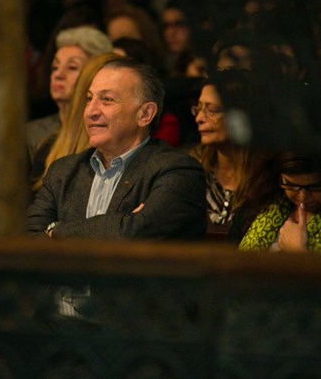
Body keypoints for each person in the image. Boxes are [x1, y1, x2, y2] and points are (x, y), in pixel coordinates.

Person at [26, 58, 206, 240]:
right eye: (89, 99)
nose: (91, 111)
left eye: (107, 100)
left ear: (145, 114)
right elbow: (30, 237)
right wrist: (121, 223)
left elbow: (132, 235)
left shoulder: (178, 172)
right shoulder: (62, 172)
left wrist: (55, 230)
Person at [190, 69, 270, 241]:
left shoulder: (268, 175)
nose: (199, 118)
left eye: (212, 110)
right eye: (198, 108)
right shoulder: (190, 169)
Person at [30, 52, 123, 191]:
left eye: (108, 99)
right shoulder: (47, 150)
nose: (94, 110)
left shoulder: (150, 163)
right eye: (89, 98)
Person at [26, 26, 113, 161]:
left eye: (72, 67)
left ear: (96, 74)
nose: (58, 75)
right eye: (55, 67)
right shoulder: (31, 134)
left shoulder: (105, 133)